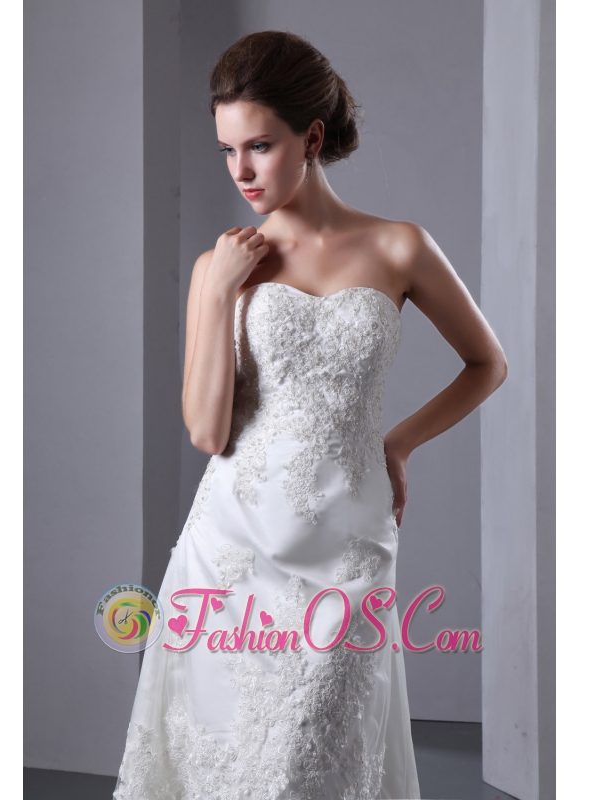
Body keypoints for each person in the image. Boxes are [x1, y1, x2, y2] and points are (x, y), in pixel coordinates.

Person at [113, 30, 507, 800]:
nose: (241, 171)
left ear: (313, 138)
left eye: (259, 146)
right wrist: (220, 290)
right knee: (232, 767)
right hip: (234, 548)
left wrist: (399, 445)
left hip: (351, 546)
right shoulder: (221, 266)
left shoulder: (398, 247)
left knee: (313, 761)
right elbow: (207, 432)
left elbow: (487, 363)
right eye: (228, 151)